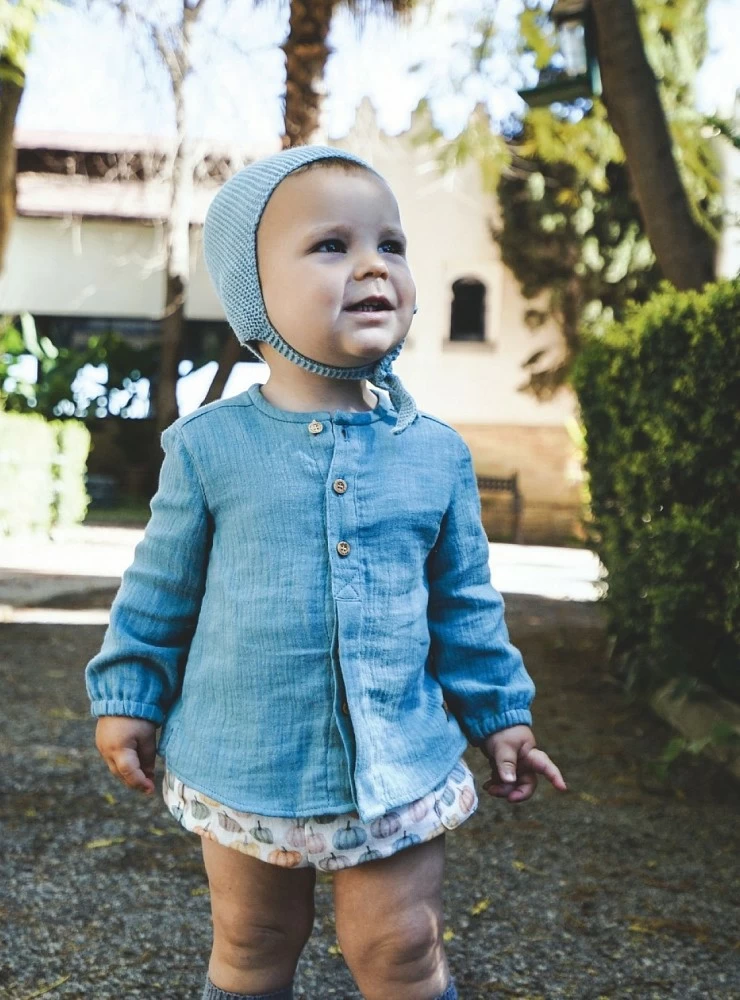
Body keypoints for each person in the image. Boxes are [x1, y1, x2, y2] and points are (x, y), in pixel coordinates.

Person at [85, 144, 567, 1000]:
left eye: (392, 244)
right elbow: (159, 591)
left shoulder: (436, 455)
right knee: (253, 940)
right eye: (332, 246)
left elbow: (464, 605)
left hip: (400, 764)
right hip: (244, 760)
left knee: (402, 949)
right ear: (254, 298)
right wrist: (129, 697)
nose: (375, 265)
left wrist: (501, 716)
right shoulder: (209, 449)